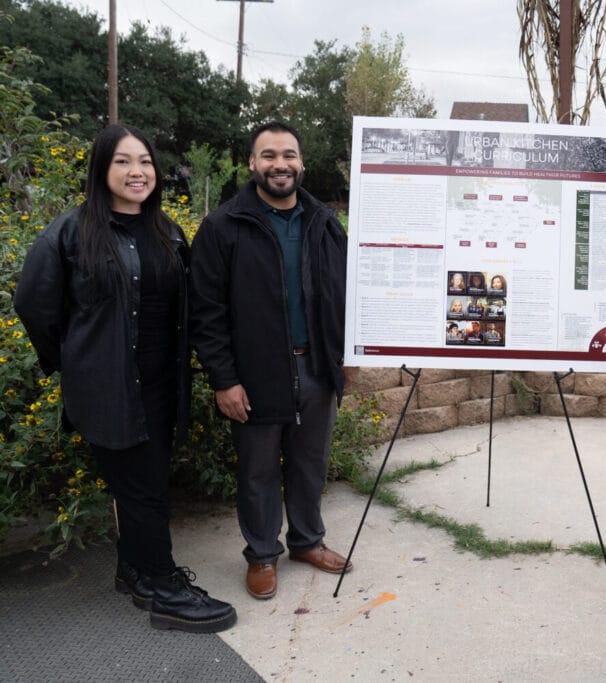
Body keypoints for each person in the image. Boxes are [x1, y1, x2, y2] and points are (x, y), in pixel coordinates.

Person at [14, 125, 236, 633]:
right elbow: (33, 303)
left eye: (145, 162)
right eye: (122, 161)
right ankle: (165, 588)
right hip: (108, 388)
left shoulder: (167, 232)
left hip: (161, 386)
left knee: (145, 484)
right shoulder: (70, 231)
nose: (137, 171)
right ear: (101, 170)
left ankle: (134, 571)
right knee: (145, 492)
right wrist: (75, 359)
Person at [190, 121, 353, 601]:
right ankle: (262, 554)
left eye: (288, 155)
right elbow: (206, 312)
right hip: (255, 374)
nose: (279, 164)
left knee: (310, 463)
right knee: (257, 470)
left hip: (317, 368)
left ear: (302, 163)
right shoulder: (223, 227)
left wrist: (348, 354)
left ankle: (307, 542)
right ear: (252, 164)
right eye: (268, 155)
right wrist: (224, 380)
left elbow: (343, 295)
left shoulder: (324, 222)